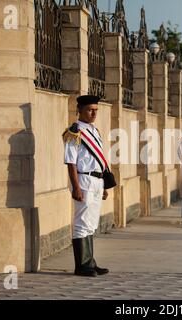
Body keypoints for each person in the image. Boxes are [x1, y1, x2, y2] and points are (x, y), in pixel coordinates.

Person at [62, 95, 110, 277]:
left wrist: (104, 185)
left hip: (97, 181)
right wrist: (76, 187)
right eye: (90, 110)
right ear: (80, 110)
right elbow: (71, 162)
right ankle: (81, 265)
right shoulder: (74, 132)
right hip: (84, 181)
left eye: (96, 110)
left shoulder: (95, 131)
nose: (93, 114)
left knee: (91, 223)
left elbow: (99, 160)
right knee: (82, 222)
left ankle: (90, 262)